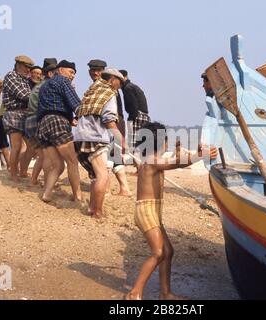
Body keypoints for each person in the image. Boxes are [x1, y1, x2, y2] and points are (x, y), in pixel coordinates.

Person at [126, 122, 217, 300]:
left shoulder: (154, 160)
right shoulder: (152, 161)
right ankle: (134, 293)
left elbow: (177, 161)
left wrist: (184, 150)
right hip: (146, 212)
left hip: (152, 211)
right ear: (161, 141)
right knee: (158, 252)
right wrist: (201, 156)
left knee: (168, 251)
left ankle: (165, 294)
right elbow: (177, 164)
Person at [75, 68, 128, 218]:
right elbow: (109, 120)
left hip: (79, 137)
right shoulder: (109, 94)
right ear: (112, 79)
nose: (120, 86)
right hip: (95, 137)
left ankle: (92, 208)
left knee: (94, 175)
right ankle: (97, 211)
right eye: (119, 82)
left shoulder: (92, 91)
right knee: (102, 175)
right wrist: (121, 140)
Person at [37, 60, 82, 203]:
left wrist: (70, 119)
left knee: (58, 165)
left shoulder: (44, 85)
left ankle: (47, 194)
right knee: (72, 161)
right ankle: (78, 196)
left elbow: (52, 104)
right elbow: (76, 104)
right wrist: (85, 116)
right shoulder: (63, 81)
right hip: (57, 122)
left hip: (43, 124)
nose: (73, 75)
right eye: (71, 72)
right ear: (61, 70)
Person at [87, 60, 131, 196]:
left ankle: (106, 189)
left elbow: (109, 114)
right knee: (115, 156)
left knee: (106, 157)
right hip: (112, 124)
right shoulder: (104, 86)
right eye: (92, 70)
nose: (95, 73)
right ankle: (124, 188)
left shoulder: (105, 87)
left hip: (111, 124)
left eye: (98, 70)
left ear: (104, 72)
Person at [25, 58, 58, 185]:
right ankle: (47, 182)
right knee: (47, 154)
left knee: (42, 155)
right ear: (50, 73)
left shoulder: (38, 85)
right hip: (38, 120)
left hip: (29, 121)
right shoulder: (48, 86)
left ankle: (33, 180)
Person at [2, 55, 34, 182]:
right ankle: (14, 174)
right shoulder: (11, 76)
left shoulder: (25, 79)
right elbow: (23, 95)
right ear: (19, 65)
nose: (28, 70)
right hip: (14, 114)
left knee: (32, 146)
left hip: (25, 114)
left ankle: (22, 171)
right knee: (16, 146)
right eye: (27, 67)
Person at [119, 70, 151, 150]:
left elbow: (133, 105)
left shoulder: (127, 88)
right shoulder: (131, 86)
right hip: (143, 115)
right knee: (142, 142)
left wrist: (131, 118)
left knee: (134, 143)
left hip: (137, 115)